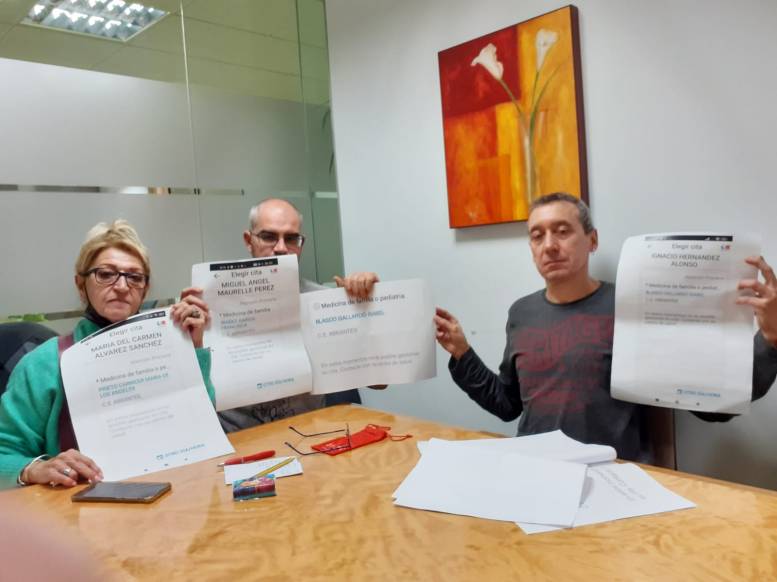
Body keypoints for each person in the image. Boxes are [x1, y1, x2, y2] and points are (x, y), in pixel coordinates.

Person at [435, 192, 777, 462]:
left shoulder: (634, 307)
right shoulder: (521, 313)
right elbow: (507, 406)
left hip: (613, 478)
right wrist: (463, 354)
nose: (549, 245)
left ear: (593, 240)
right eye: (537, 236)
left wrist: (770, 338)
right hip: (535, 470)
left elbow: (712, 406)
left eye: (562, 231)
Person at [0, 220, 211, 489]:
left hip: (170, 492)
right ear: (81, 284)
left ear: (145, 290)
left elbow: (201, 427)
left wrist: (192, 348)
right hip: (77, 506)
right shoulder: (43, 364)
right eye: (106, 274)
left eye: (135, 277)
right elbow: (4, 454)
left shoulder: (165, 350)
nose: (122, 286)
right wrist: (34, 469)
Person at [217, 198, 383, 432]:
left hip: (308, 435)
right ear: (248, 240)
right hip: (241, 440)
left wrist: (361, 312)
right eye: (269, 236)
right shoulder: (213, 304)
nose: (281, 248)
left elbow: (379, 382)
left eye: (291, 239)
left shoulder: (322, 302)